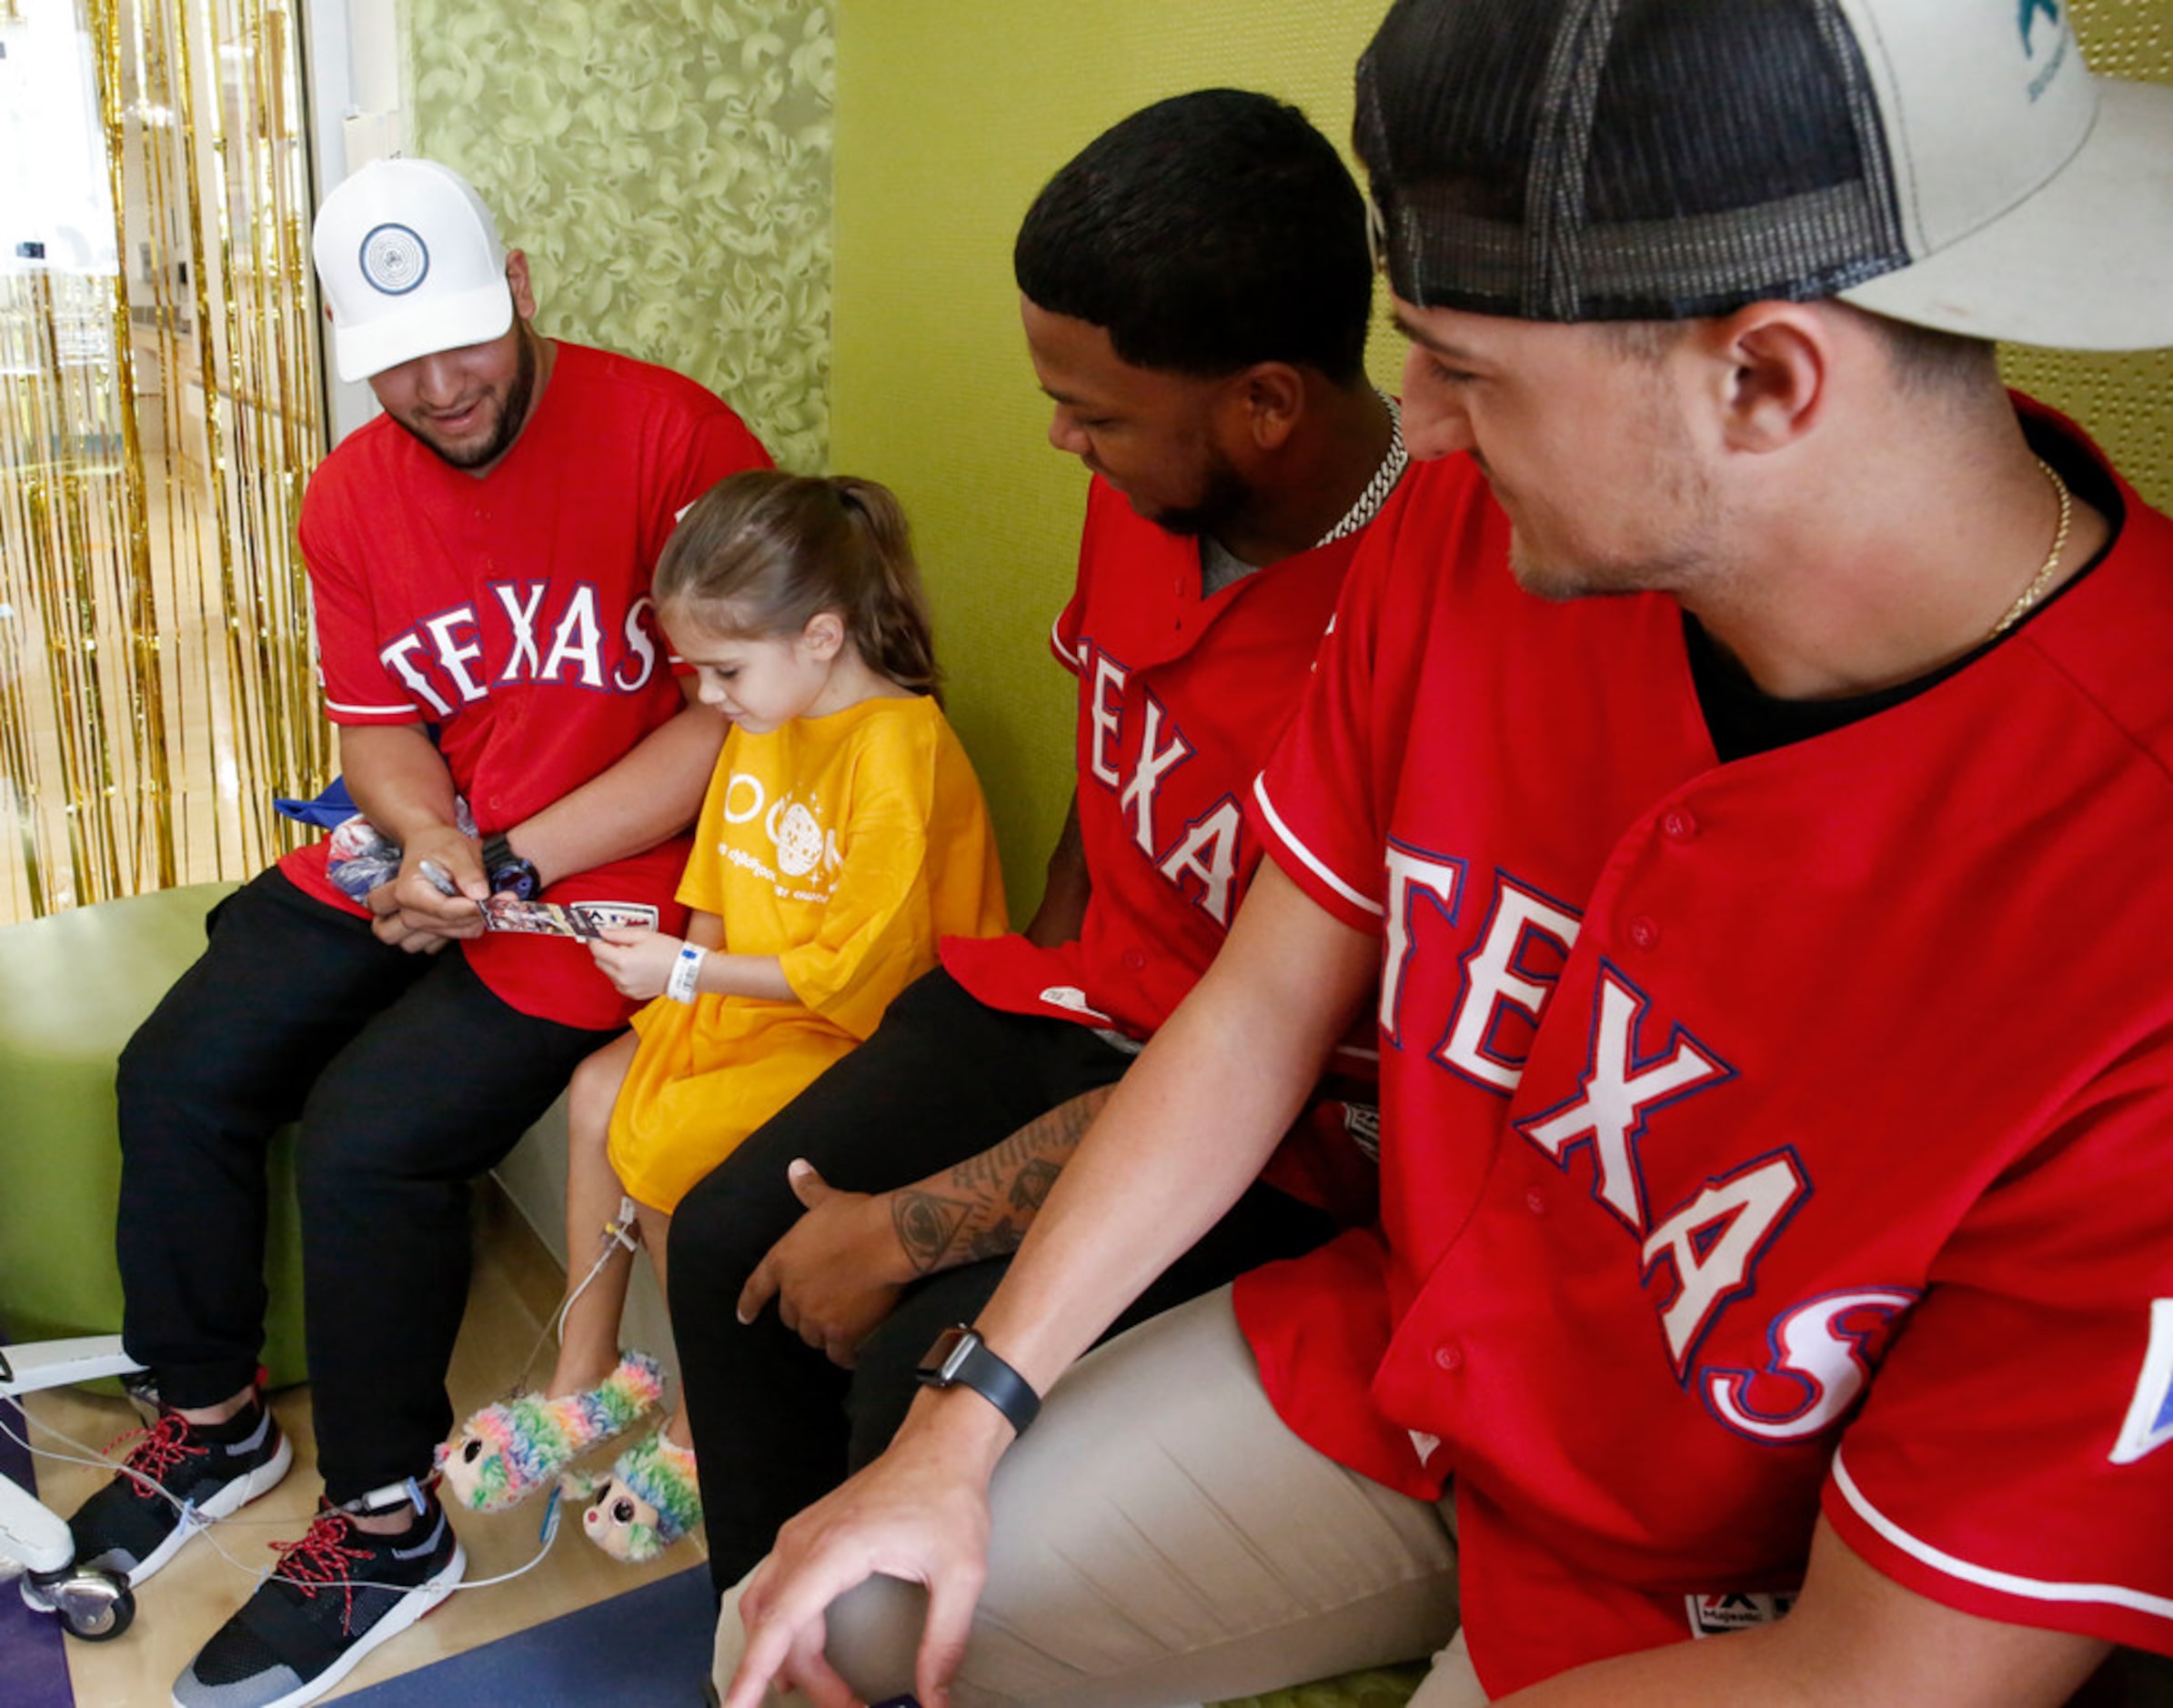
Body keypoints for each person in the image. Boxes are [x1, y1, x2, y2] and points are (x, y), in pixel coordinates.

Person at [719, 3, 2173, 1705]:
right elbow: (1259, 1004)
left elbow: (1884, 1675)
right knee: (815, 1620)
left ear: (1762, 377)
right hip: (1404, 1366)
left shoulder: (2123, 872)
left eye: (1466, 370)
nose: (1410, 427)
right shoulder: (1467, 536)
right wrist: (956, 1424)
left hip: (1733, 1599)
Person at [665, 85, 1405, 1596]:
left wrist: (902, 1226)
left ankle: (852, 1637)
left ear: (1262, 405)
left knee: (907, 1378)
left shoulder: (1420, 610)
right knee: (728, 1239)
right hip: (1079, 1001)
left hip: (1277, 1129)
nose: (1058, 436)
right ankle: (759, 1643)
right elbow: (1114, 754)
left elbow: (1263, 1057)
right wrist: (1053, 969)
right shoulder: (1136, 493)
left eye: (1097, 410)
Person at [58, 156, 771, 1708]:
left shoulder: (674, 437)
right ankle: (212, 1409)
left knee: (373, 1132)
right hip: (433, 845)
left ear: (518, 285)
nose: (442, 386)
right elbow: (378, 725)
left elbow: (726, 717)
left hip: (608, 882)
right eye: (400, 359)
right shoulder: (349, 494)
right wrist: (436, 840)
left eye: (466, 338)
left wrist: (504, 856)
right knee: (183, 1062)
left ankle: (385, 1528)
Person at [438, 470, 1007, 1565]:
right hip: (752, 1004)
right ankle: (588, 1380)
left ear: (823, 636)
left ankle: (705, 1428)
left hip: (866, 1038)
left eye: (722, 669)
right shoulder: (767, 716)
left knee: (672, 1140)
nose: (707, 696)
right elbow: (714, 887)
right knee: (604, 1089)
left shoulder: (900, 751)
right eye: (695, 669)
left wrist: (687, 977)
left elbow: (859, 973)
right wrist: (669, 986)